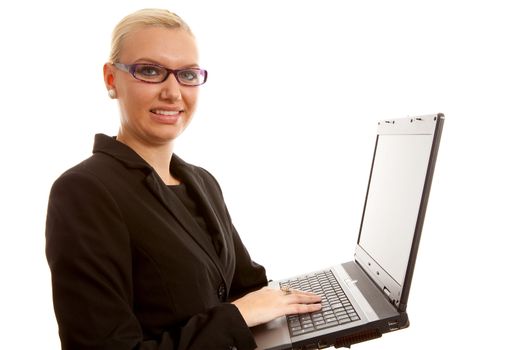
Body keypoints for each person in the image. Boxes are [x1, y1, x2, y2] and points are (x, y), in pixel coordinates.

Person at [45, 8, 321, 350]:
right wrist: (236, 316)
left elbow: (245, 289)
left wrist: (314, 319)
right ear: (111, 79)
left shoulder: (202, 182)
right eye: (150, 71)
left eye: (187, 75)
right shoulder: (85, 191)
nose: (173, 93)